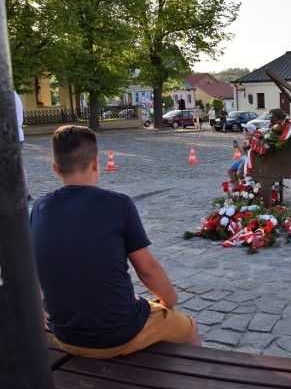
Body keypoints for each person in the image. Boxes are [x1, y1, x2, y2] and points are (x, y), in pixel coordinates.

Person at [31, 125, 201, 358]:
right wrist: (168, 300)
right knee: (189, 327)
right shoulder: (119, 204)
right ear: (95, 163)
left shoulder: (40, 208)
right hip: (118, 334)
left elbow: (39, 263)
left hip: (66, 334)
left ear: (55, 169)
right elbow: (147, 268)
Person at [15, 90, 32, 201]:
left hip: (11, 135)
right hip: (13, 134)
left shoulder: (7, 93)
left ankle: (25, 192)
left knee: (16, 165)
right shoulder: (11, 93)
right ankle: (25, 192)